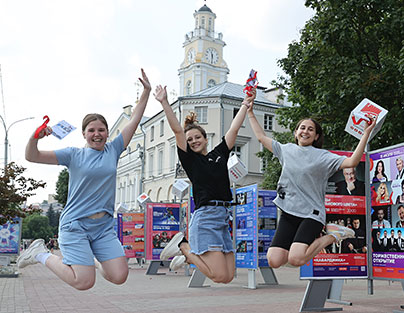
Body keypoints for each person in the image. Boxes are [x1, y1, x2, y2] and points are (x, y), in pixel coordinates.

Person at [18, 69, 151, 291]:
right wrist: (34, 138)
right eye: (91, 130)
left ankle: (92, 259)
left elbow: (135, 119)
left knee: (119, 275)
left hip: (103, 228)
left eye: (101, 130)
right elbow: (32, 156)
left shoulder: (114, 149)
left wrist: (146, 92)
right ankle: (40, 253)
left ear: (108, 133)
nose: (97, 134)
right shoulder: (73, 155)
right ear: (84, 134)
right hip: (76, 224)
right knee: (84, 282)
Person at [246, 90, 377, 268]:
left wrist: (366, 134)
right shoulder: (286, 150)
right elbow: (261, 137)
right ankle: (325, 236)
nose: (305, 131)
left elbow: (352, 161)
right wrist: (250, 112)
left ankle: (332, 235)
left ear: (316, 136)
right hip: (289, 212)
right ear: (295, 132)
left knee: (296, 259)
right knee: (274, 260)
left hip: (311, 214)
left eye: (310, 129)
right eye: (302, 128)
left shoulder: (323, 156)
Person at [154, 84, 254, 284]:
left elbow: (234, 129)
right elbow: (177, 131)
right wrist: (164, 102)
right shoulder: (190, 160)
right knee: (217, 276)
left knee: (226, 277)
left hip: (224, 219)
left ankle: (186, 254)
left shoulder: (219, 154)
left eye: (197, 137)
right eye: (190, 139)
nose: (193, 141)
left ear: (205, 139)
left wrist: (245, 104)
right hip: (206, 218)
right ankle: (183, 247)